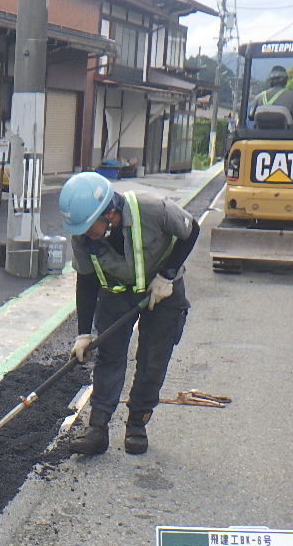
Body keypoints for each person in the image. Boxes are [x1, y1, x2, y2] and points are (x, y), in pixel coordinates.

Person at [59, 171, 199, 456]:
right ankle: (97, 429)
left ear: (109, 212)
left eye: (89, 226)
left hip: (163, 291)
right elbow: (86, 281)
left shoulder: (153, 209)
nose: (85, 233)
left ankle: (137, 423)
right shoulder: (83, 237)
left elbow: (191, 229)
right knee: (109, 358)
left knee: (152, 359)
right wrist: (83, 334)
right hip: (115, 294)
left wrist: (167, 274)